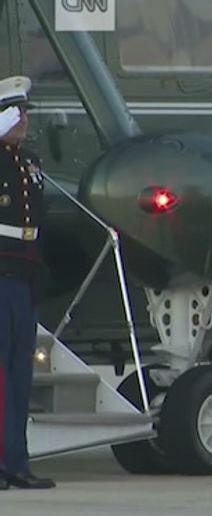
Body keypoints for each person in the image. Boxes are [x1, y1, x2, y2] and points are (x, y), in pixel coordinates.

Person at [0, 76, 55, 490]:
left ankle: (17, 461)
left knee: (21, 377)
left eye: (25, 114)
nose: (25, 122)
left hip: (26, 275)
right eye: (17, 114)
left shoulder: (30, 163)